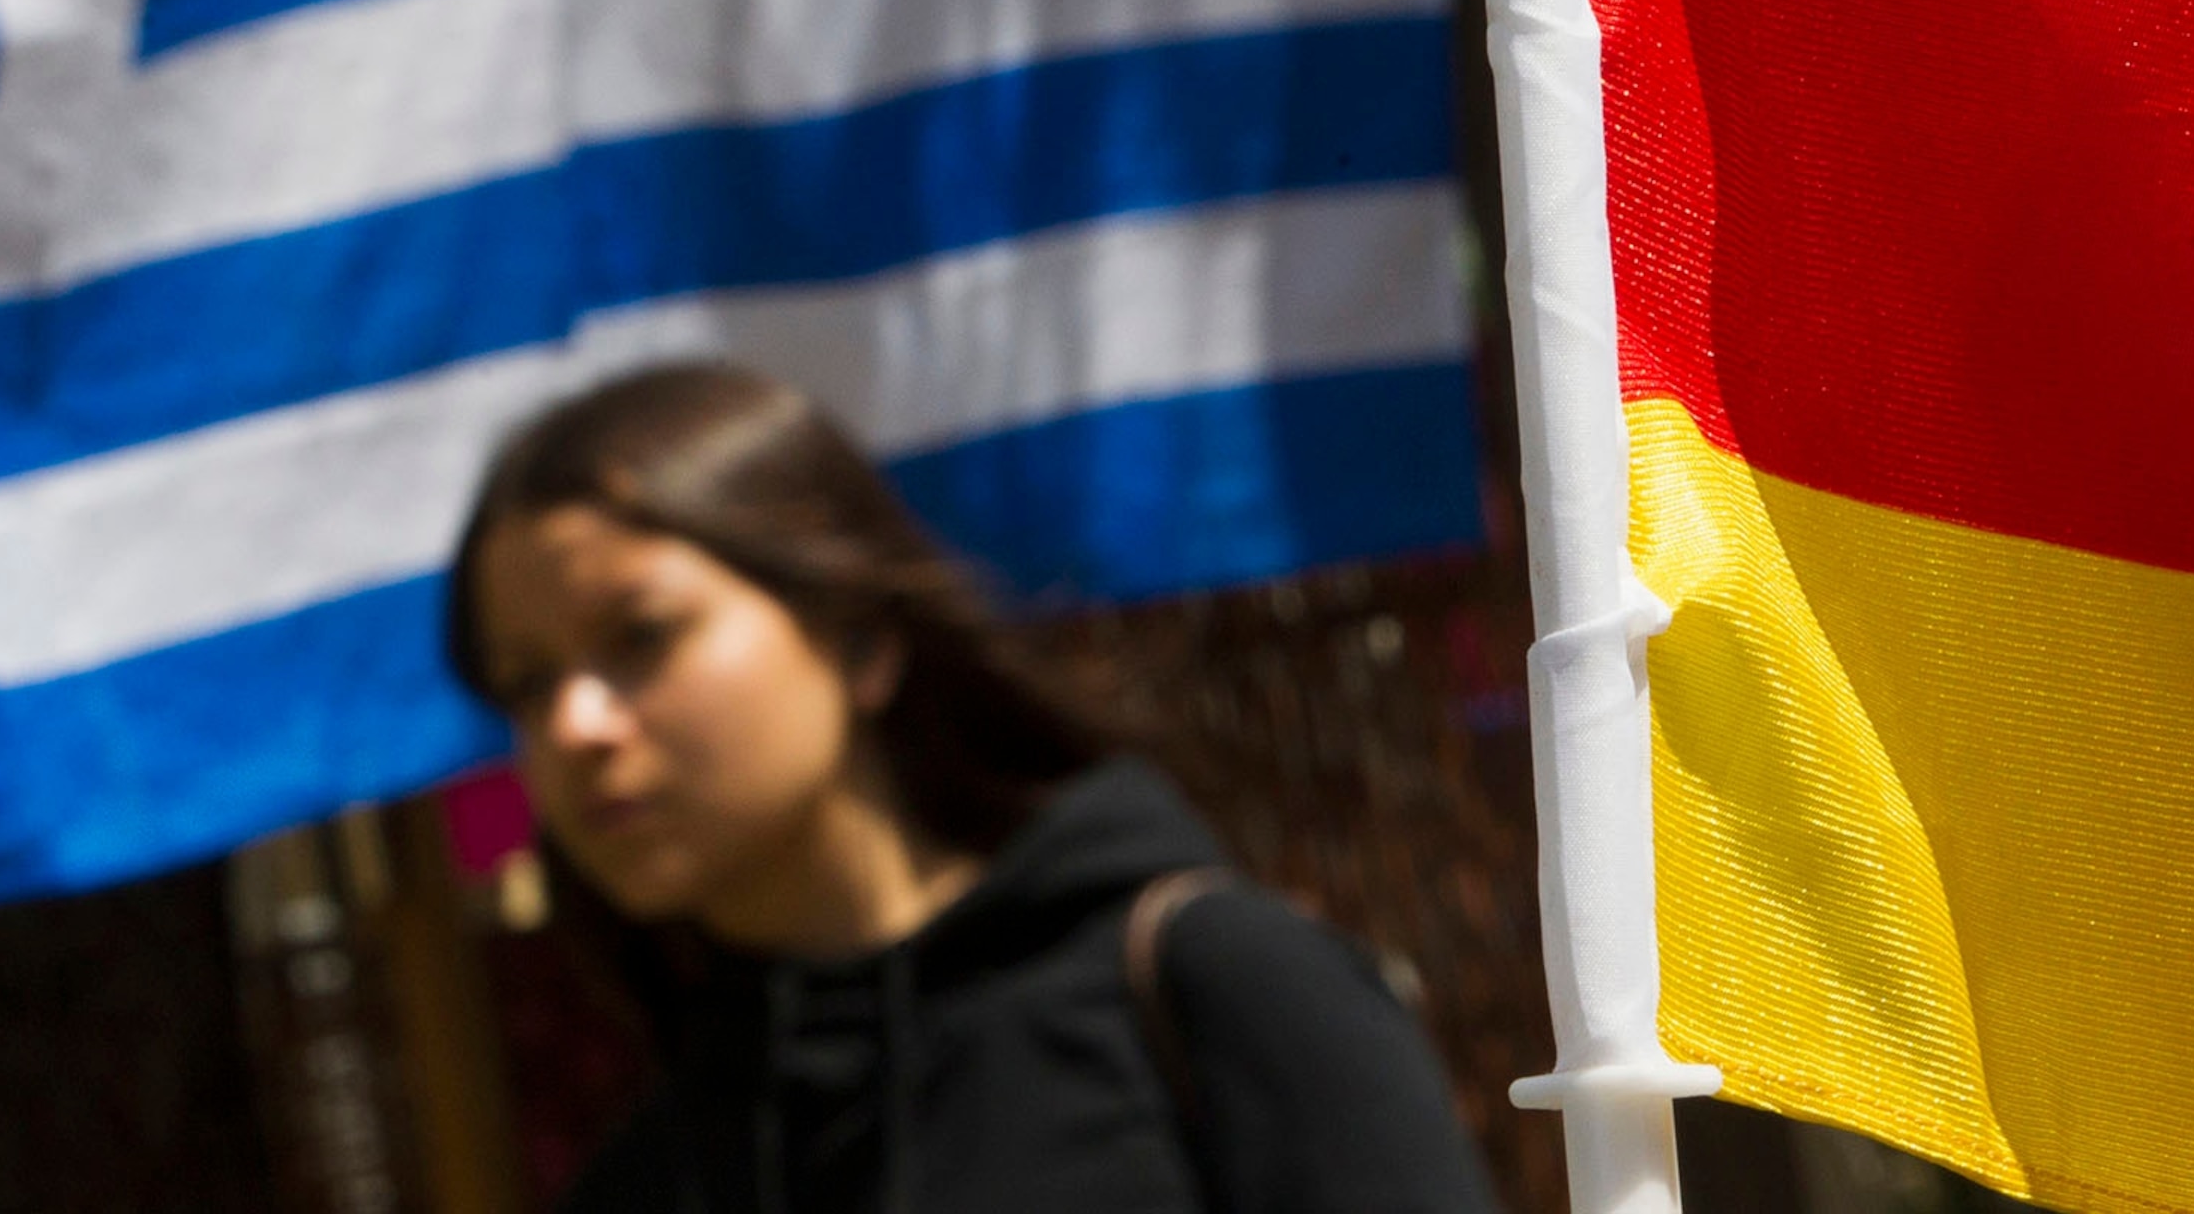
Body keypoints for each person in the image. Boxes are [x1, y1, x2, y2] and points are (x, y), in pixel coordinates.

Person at [444, 360, 1505, 1214]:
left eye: (640, 636)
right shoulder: (653, 1174)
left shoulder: (1213, 988)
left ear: (858, 639)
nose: (576, 726)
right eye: (527, 685)